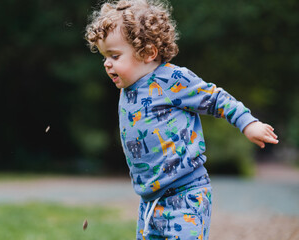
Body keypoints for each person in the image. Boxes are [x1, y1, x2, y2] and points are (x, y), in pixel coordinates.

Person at [85, 0, 279, 239]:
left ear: (147, 52)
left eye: (114, 55)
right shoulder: (129, 89)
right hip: (149, 202)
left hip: (186, 196)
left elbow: (215, 98)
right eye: (104, 56)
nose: (106, 63)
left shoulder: (172, 79)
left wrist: (248, 123)